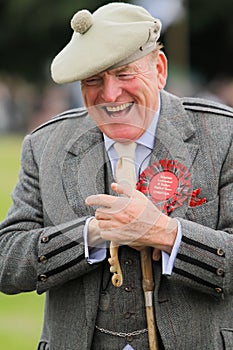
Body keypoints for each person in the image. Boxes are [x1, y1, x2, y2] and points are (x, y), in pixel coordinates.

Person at [0, 2, 232, 349]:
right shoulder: (43, 145)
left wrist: (167, 234)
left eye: (125, 74)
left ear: (160, 69)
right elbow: (7, 261)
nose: (110, 94)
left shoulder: (224, 135)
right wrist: (92, 234)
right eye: (94, 79)